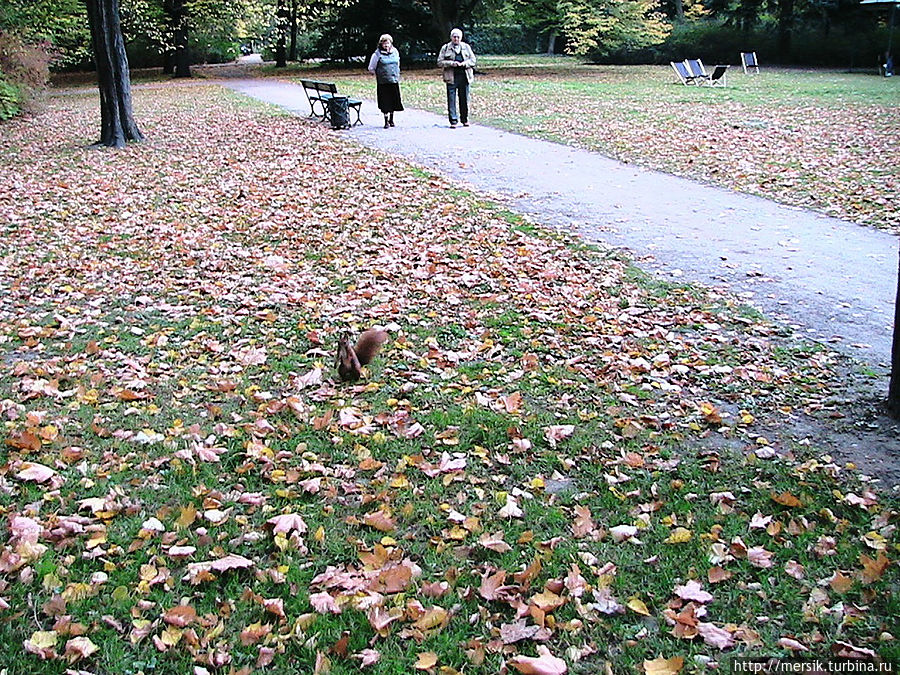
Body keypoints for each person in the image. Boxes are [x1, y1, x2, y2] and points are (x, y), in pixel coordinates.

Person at [437, 28, 476, 128]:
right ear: (451, 37)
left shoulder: (466, 47)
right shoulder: (445, 48)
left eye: (458, 37)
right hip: (451, 77)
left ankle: (465, 119)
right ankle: (453, 121)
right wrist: (451, 63)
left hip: (464, 77)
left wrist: (464, 64)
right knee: (451, 99)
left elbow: (473, 60)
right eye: (454, 37)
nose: (456, 39)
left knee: (464, 99)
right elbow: (439, 62)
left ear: (461, 38)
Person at [367, 34, 404, 128]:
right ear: (381, 44)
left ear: (391, 43)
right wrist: (378, 73)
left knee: (393, 101)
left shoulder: (395, 52)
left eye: (388, 42)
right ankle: (386, 121)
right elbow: (371, 67)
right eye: (384, 43)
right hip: (383, 82)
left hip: (394, 80)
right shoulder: (377, 54)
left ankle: (392, 119)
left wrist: (397, 73)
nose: (386, 45)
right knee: (385, 102)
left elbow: (398, 63)